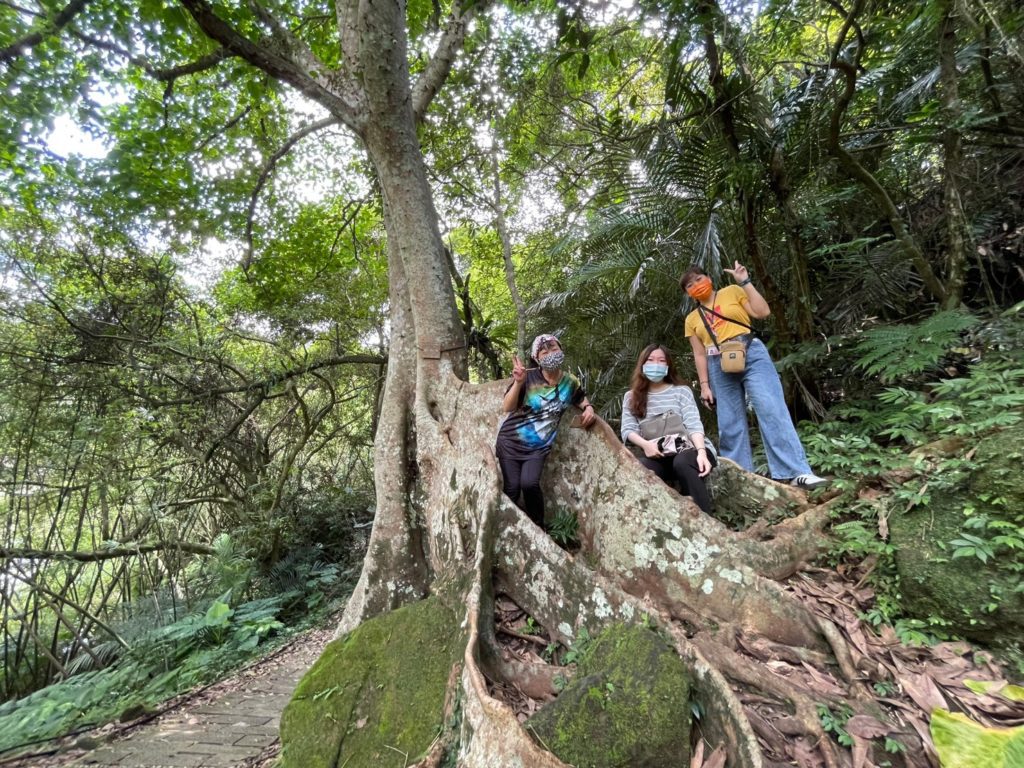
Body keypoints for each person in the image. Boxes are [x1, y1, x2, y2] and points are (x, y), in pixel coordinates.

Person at [681, 262, 828, 489]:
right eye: (690, 285)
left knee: (771, 408)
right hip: (717, 362)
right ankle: (742, 481)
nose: (696, 285)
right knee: (729, 423)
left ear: (708, 278)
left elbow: (762, 312)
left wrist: (745, 281)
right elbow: (699, 354)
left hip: (750, 352)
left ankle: (796, 472)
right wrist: (704, 386)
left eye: (699, 279)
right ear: (688, 294)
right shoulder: (692, 318)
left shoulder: (732, 291)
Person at [495, 333, 596, 528]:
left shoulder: (570, 381)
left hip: (538, 447)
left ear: (561, 350)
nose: (550, 354)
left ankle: (538, 528)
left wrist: (588, 407)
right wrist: (518, 382)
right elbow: (507, 407)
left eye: (554, 348)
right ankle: (506, 528)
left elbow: (580, 397)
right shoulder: (528, 377)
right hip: (511, 442)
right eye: (544, 351)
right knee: (512, 489)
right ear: (537, 358)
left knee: (530, 484)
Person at [621, 344, 716, 513]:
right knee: (642, 469)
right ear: (642, 365)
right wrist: (646, 445)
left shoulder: (681, 392)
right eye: (650, 360)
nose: (655, 364)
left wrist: (702, 453)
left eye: (661, 361)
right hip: (659, 455)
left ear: (668, 366)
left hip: (691, 451)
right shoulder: (631, 397)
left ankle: (705, 518)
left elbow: (693, 424)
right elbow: (628, 430)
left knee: (682, 462)